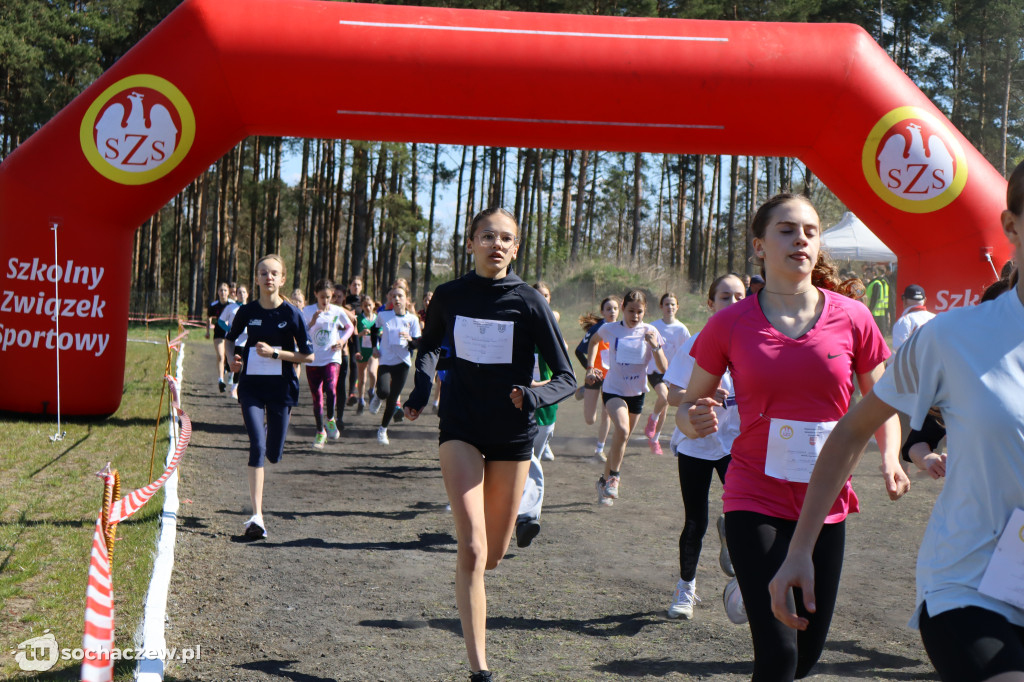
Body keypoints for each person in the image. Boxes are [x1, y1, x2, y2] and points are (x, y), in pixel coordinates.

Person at [770, 164, 1024, 682]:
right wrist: (799, 548)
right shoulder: (952, 338)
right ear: (1012, 225)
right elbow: (850, 432)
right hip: (969, 587)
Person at [678, 193, 906, 681]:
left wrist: (891, 456)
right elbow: (689, 403)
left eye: (809, 230)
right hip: (753, 494)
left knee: (805, 655)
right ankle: (746, 563)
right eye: (786, 229)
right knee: (778, 656)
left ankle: (745, 581)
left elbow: (883, 403)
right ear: (760, 246)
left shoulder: (853, 317)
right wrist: (692, 419)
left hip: (827, 501)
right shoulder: (729, 323)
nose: (800, 238)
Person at [403, 207, 575, 682]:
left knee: (494, 554)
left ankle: (480, 572)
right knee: (473, 549)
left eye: (505, 239)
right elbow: (431, 346)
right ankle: (479, 669)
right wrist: (421, 391)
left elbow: (566, 377)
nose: (496, 244)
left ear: (515, 248)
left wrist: (533, 395)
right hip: (459, 427)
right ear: (471, 243)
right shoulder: (450, 295)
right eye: (487, 236)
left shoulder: (528, 302)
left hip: (512, 434)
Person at [664, 274, 744, 620]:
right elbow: (672, 394)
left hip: (738, 445)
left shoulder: (757, 345)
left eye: (740, 296)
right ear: (711, 304)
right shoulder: (697, 342)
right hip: (697, 444)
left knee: (747, 517)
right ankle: (686, 587)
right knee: (695, 520)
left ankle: (743, 580)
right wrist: (701, 397)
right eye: (725, 297)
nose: (734, 303)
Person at [225, 254, 314, 540]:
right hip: (251, 386)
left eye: (274, 273)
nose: (269, 278)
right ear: (257, 278)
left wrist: (276, 354)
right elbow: (230, 338)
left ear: (282, 278)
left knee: (273, 453)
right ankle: (257, 517)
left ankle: (269, 440)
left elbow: (308, 355)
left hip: (281, 389)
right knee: (257, 446)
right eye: (263, 273)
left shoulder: (291, 314)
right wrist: (231, 361)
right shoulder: (247, 311)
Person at [588, 289, 667, 506]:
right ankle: (614, 478)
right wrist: (589, 367)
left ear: (645, 312)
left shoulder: (651, 331)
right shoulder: (610, 329)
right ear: (623, 308)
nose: (635, 316)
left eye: (639, 312)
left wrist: (656, 346)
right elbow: (593, 342)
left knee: (621, 440)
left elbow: (663, 368)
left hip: (637, 393)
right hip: (613, 389)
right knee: (621, 430)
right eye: (631, 311)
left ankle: (603, 482)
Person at [302, 279, 354, 449]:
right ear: (316, 294)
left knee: (331, 389)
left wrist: (342, 340)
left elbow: (349, 328)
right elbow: (301, 333)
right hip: (313, 359)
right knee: (317, 398)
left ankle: (330, 419)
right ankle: (320, 432)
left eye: (329, 297)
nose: (325, 301)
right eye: (322, 297)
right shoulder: (308, 311)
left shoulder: (337, 311)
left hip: (332, 356)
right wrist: (312, 322)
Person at [370, 285, 421, 445]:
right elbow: (374, 329)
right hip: (385, 359)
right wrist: (374, 347)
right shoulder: (384, 315)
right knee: (384, 390)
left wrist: (410, 339)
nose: (397, 299)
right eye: (394, 296)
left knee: (393, 400)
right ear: (391, 299)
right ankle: (378, 396)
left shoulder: (412, 319)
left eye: (400, 296)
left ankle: (383, 430)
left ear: (407, 299)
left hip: (403, 362)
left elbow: (417, 344)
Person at [644, 292, 691, 455]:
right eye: (666, 304)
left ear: (677, 307)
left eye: (673, 304)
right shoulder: (653, 327)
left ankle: (655, 439)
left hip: (673, 373)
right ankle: (653, 420)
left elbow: (687, 353)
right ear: (661, 307)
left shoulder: (682, 329)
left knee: (666, 405)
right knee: (664, 398)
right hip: (655, 371)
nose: (669, 307)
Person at [575, 296, 620, 462]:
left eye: (615, 308)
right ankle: (584, 390)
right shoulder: (596, 330)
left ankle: (599, 449)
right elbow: (579, 351)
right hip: (595, 377)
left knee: (606, 414)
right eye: (608, 309)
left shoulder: (622, 329)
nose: (612, 312)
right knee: (590, 419)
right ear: (602, 312)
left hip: (612, 378)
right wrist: (590, 370)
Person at [218, 285, 249, 399]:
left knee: (241, 366)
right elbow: (221, 321)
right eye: (239, 292)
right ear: (236, 295)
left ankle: (234, 388)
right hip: (232, 342)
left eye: (243, 292)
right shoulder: (230, 308)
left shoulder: (251, 308)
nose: (241, 294)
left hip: (245, 341)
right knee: (231, 364)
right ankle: (230, 376)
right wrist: (230, 330)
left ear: (247, 294)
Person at [354, 294, 380, 415]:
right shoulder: (359, 319)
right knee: (361, 378)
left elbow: (381, 331)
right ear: (362, 307)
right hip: (362, 350)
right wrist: (362, 333)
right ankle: (361, 400)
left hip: (374, 350)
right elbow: (354, 336)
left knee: (372, 372)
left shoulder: (377, 318)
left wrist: (380, 333)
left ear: (374, 305)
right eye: (365, 305)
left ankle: (371, 390)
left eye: (370, 305)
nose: (368, 307)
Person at [891, 284, 936, 350]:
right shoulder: (936, 318)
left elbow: (899, 352)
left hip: (914, 360)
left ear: (904, 300)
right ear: (925, 300)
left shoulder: (904, 321)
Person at [207, 282, 233, 393]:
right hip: (218, 333)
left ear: (228, 292)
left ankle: (228, 369)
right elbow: (209, 318)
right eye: (221, 290)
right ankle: (221, 380)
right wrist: (207, 331)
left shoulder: (232, 304)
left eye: (225, 290)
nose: (223, 292)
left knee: (228, 356)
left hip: (230, 334)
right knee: (220, 356)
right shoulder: (214, 305)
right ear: (218, 292)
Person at [343, 276, 364, 405]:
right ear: (350, 286)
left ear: (361, 287)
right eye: (354, 284)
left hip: (358, 337)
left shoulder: (364, 302)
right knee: (344, 364)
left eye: (358, 285)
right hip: (344, 336)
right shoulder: (344, 301)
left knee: (354, 363)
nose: (356, 287)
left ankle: (352, 392)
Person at [865, 264, 891, 333]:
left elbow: (874, 299)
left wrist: (870, 310)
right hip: (874, 312)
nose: (866, 274)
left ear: (873, 273)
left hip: (875, 312)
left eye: (868, 273)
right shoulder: (872, 283)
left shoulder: (876, 284)